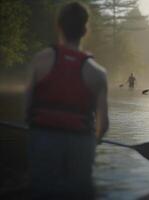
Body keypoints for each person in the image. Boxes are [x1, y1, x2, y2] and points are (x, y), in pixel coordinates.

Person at [25, 2, 109, 199]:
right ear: (85, 30)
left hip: (44, 142)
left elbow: (27, 112)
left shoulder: (40, 61)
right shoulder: (98, 73)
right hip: (81, 145)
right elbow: (103, 125)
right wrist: (96, 139)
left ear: (59, 26)